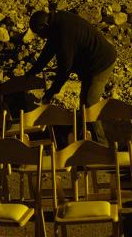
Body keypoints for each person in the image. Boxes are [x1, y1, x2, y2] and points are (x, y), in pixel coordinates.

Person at [26, 9, 117, 143]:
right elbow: (48, 51)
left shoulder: (64, 31)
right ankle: (78, 140)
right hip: (90, 65)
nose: (41, 38)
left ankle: (102, 148)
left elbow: (65, 68)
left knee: (89, 105)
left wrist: (51, 92)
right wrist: (32, 72)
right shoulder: (56, 23)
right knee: (84, 104)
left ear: (44, 27)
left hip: (101, 63)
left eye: (40, 34)